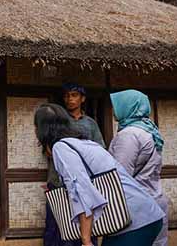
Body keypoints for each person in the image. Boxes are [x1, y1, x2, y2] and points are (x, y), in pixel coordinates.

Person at [35, 103, 165, 246]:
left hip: (134, 221)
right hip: (145, 215)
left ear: (42, 129)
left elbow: (83, 192)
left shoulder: (61, 148)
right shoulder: (84, 142)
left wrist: (86, 240)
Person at [44, 83, 104, 246]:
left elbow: (99, 150)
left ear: (82, 99)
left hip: (84, 182)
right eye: (67, 96)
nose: (70, 99)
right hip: (58, 182)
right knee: (57, 227)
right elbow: (49, 150)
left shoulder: (90, 124)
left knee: (85, 225)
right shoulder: (56, 122)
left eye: (74, 95)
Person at [109, 90, 168, 246]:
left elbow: (120, 175)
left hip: (136, 207)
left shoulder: (128, 134)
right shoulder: (150, 131)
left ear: (128, 106)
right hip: (155, 199)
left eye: (117, 105)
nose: (114, 109)